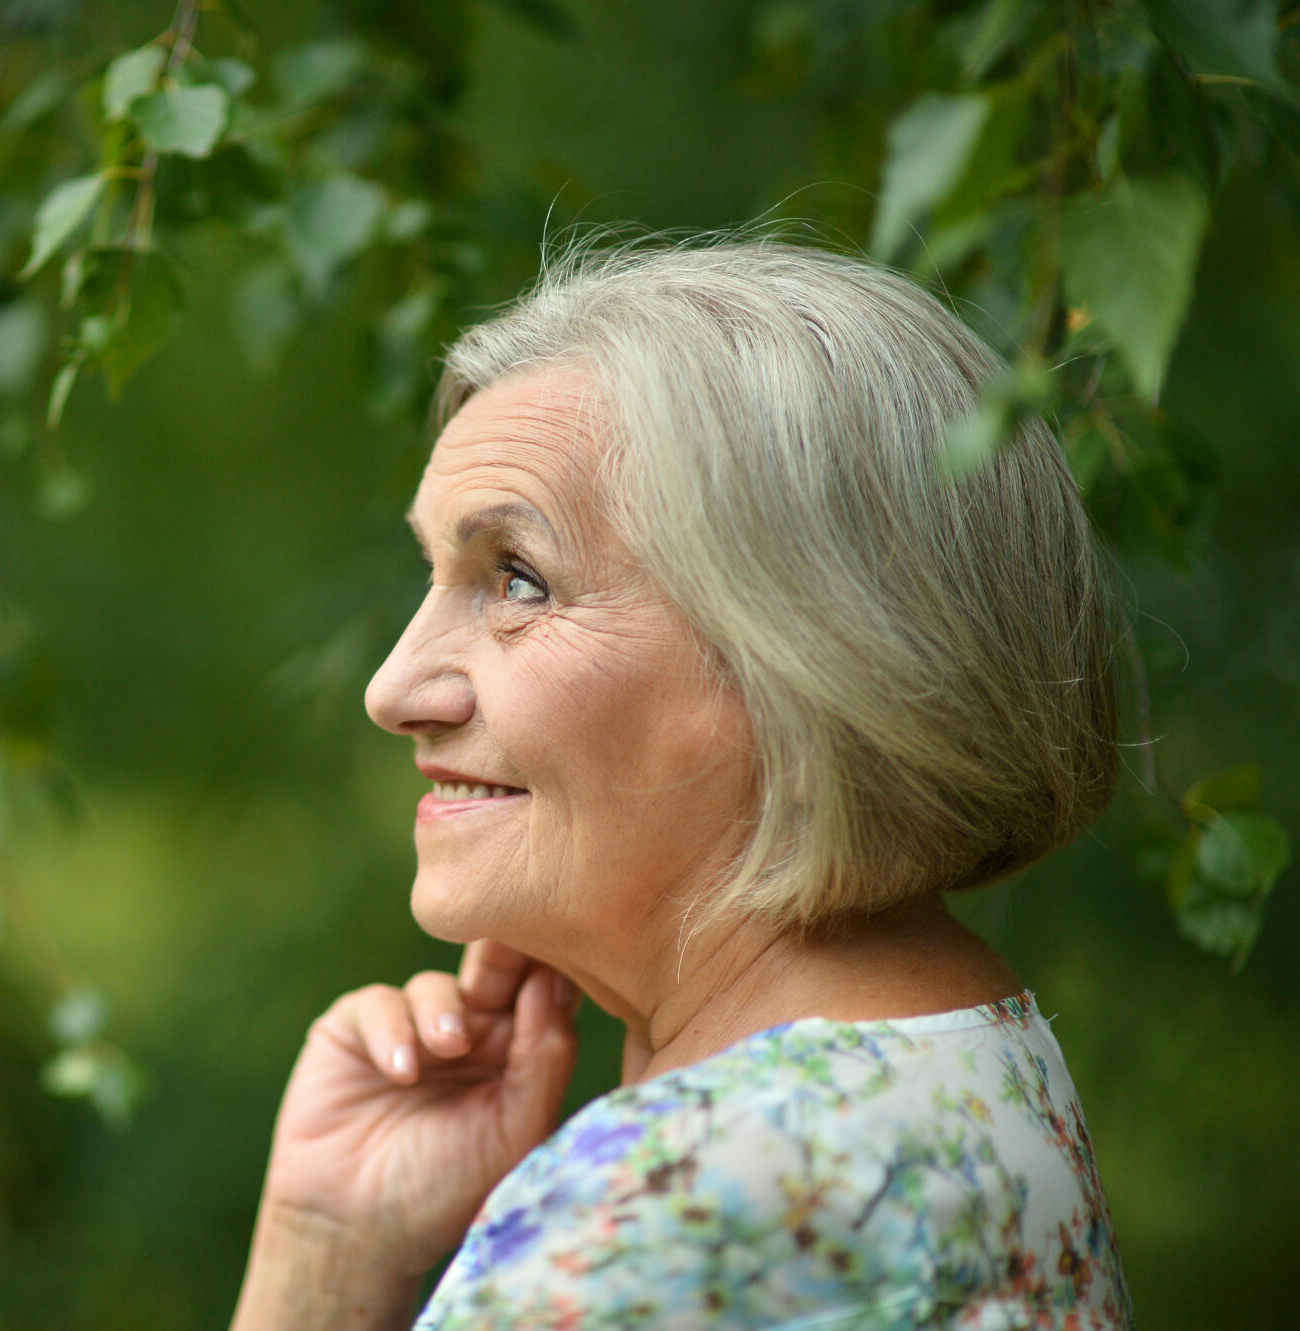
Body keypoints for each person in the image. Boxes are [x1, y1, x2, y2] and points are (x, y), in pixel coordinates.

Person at [229, 241, 1132, 1329]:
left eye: (516, 579)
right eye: (438, 575)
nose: (393, 687)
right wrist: (330, 1246)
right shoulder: (958, 1053)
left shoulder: (658, 1215)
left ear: (809, 661)